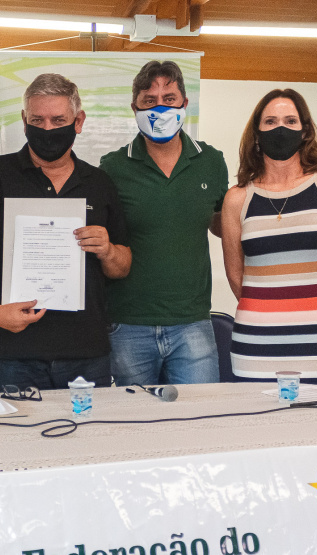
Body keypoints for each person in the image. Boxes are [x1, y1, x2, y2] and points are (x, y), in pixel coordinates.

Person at [0, 73, 131, 391]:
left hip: (87, 351)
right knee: (17, 439)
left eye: (58, 119)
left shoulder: (99, 183)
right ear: (24, 121)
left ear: (78, 121)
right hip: (17, 351)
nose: (48, 129)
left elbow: (122, 266)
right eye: (38, 120)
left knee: (88, 439)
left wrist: (108, 250)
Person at [221, 89, 317, 386]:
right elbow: (237, 276)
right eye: (270, 121)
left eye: (290, 120)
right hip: (257, 342)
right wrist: (270, 313)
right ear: (257, 133)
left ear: (305, 131)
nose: (281, 128)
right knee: (258, 428)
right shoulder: (236, 199)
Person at [99, 61, 228, 387]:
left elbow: (221, 223)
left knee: (199, 422)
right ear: (135, 108)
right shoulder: (113, 167)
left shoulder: (211, 162)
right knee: (138, 427)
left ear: (184, 104)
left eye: (169, 99)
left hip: (192, 323)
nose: (159, 107)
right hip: (128, 324)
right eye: (149, 100)